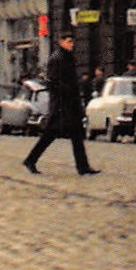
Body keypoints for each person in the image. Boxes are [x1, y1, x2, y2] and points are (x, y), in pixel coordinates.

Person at [23, 33, 98, 176]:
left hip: (70, 104)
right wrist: (65, 93)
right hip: (61, 105)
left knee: (76, 135)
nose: (72, 44)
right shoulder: (57, 58)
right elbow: (53, 82)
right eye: (69, 42)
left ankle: (83, 167)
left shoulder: (67, 57)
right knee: (50, 135)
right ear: (61, 42)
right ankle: (31, 160)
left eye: (73, 42)